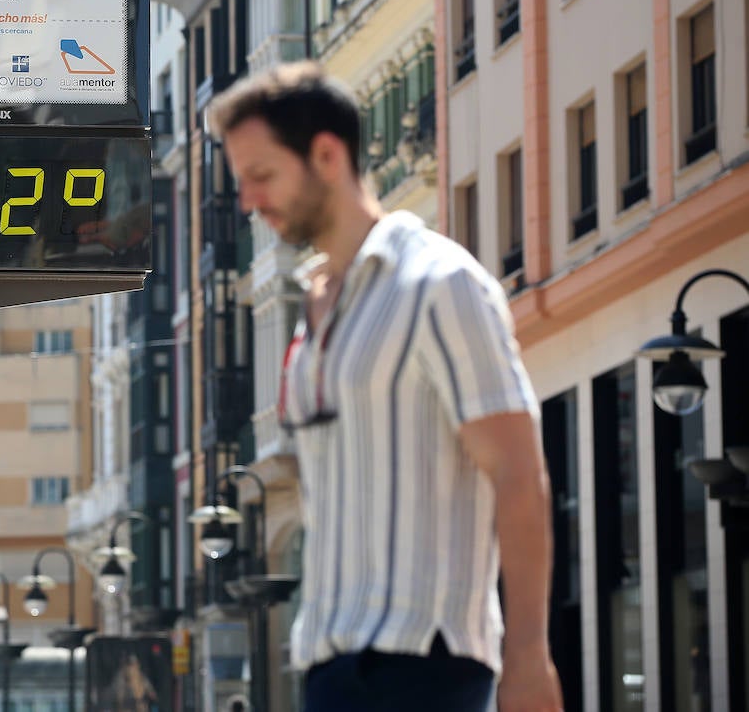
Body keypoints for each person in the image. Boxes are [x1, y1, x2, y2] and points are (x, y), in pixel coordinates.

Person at [207, 62, 563, 712]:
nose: (249, 201)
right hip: (328, 666)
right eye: (241, 182)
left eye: (261, 176)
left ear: (326, 154)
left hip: (428, 666)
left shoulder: (441, 285)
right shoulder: (310, 316)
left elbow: (517, 470)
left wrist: (529, 656)